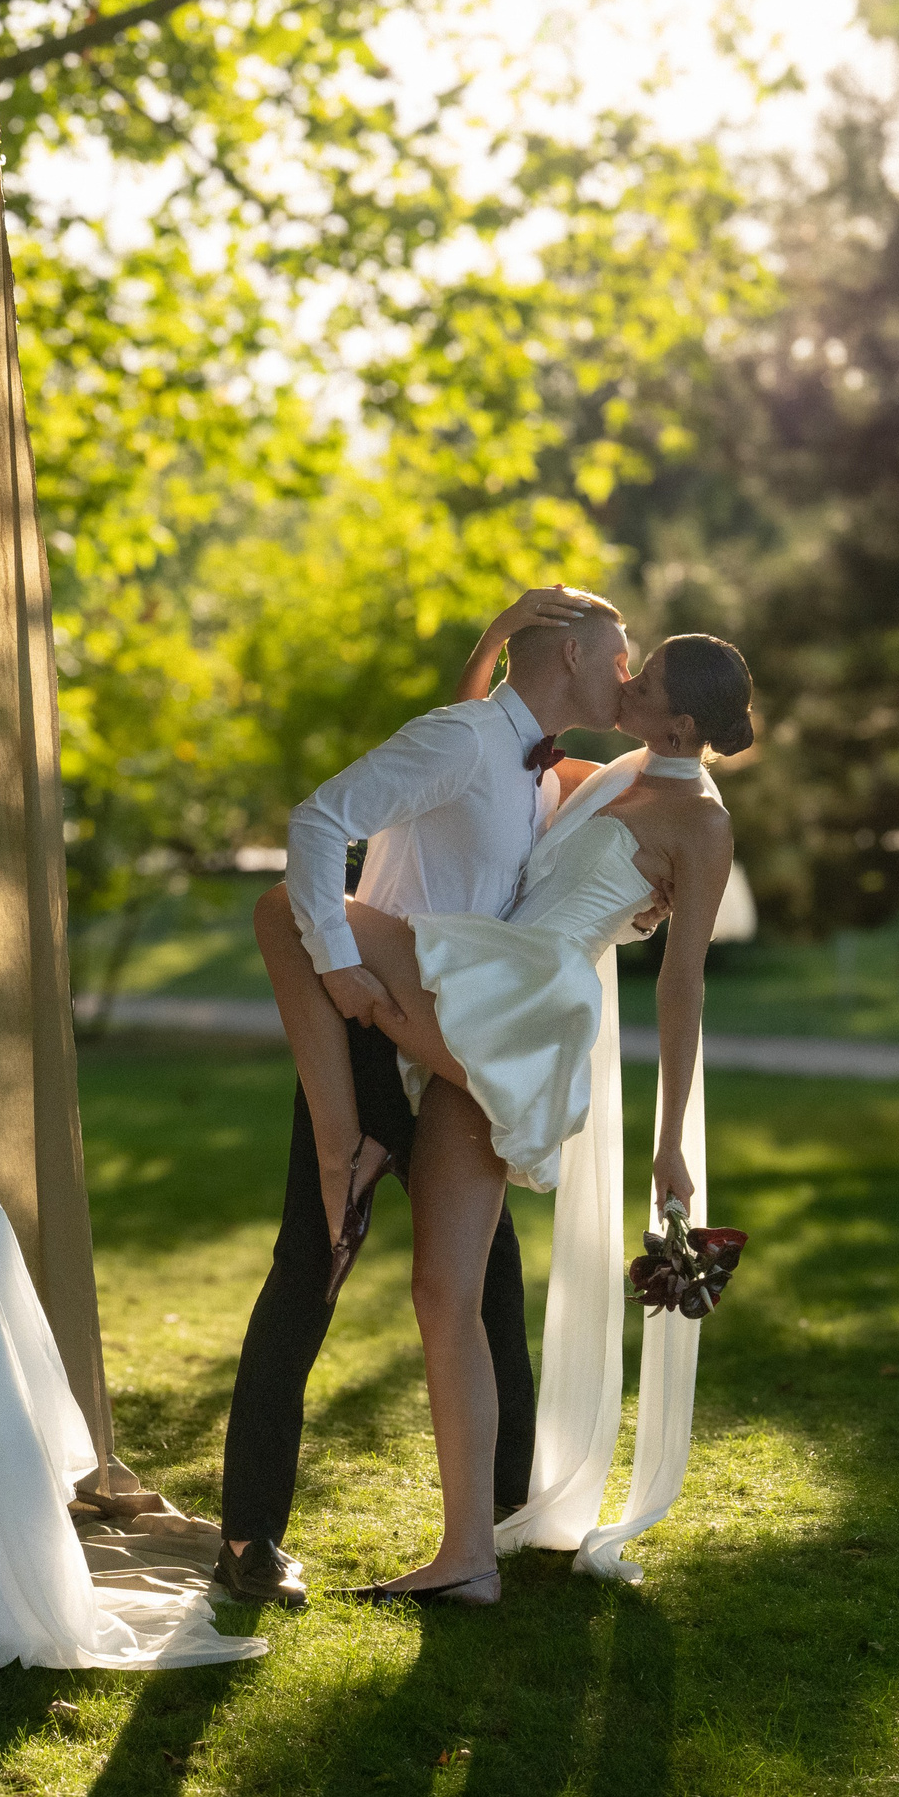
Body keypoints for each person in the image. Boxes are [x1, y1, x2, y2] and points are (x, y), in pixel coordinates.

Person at [253, 628, 754, 1604]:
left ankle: (339, 1145)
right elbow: (476, 735)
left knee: (293, 912)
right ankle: (467, 1559)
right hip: (488, 984)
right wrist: (501, 631)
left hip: (527, 994)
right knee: (443, 1293)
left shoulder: (702, 826)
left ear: (681, 720)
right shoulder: (609, 767)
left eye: (641, 681)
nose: (623, 680)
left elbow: (682, 986)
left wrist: (670, 1146)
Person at [212, 586, 631, 1609]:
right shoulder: (460, 738)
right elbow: (318, 821)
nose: (629, 675)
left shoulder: (538, 768)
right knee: (306, 1271)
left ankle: (501, 1521)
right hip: (369, 1038)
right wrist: (338, 965)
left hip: (461, 1060)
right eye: (620, 657)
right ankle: (249, 1539)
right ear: (570, 654)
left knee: (487, 1288)